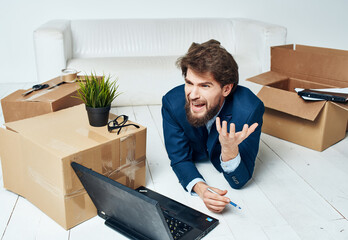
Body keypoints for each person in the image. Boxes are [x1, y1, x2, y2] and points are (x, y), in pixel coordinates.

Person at [161, 39, 265, 213]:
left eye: (204, 86)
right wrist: (202, 190)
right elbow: (179, 159)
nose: (193, 95)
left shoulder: (249, 110)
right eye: (189, 83)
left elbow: (240, 180)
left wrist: (230, 150)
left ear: (226, 89)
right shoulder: (172, 103)